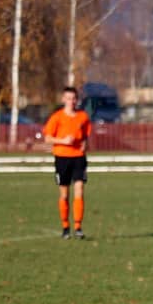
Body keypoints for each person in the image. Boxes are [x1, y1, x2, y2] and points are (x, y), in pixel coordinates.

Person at [42, 86, 92, 239]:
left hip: (78, 157)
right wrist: (62, 141)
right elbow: (47, 138)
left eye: (74, 98)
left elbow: (86, 135)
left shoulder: (83, 116)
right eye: (69, 98)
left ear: (77, 100)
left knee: (79, 189)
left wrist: (85, 143)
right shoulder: (57, 117)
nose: (72, 101)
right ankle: (65, 226)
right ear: (64, 99)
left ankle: (78, 227)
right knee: (64, 194)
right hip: (62, 158)